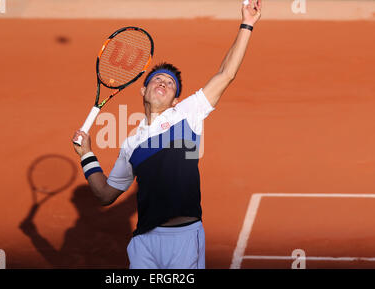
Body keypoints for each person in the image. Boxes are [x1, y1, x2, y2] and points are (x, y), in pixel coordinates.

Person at [72, 0, 262, 269]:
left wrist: (247, 24)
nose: (163, 83)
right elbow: (105, 195)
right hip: (144, 243)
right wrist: (87, 154)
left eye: (170, 83)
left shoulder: (187, 114)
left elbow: (226, 74)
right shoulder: (131, 145)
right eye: (157, 80)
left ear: (175, 101)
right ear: (143, 91)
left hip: (183, 238)